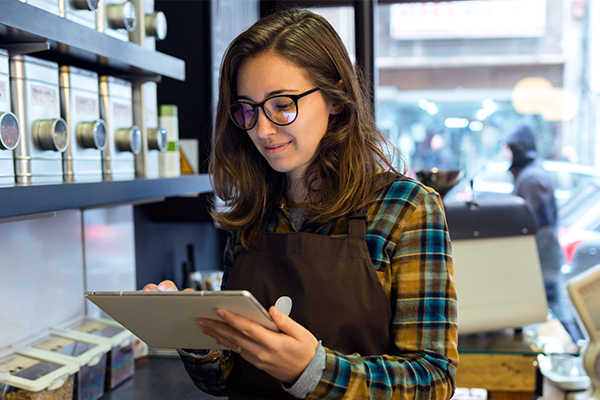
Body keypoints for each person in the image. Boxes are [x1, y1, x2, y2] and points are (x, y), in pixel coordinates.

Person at [144, 9, 458, 399]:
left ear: (336, 100)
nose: (262, 129)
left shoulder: (405, 208)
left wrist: (313, 371)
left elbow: (433, 379)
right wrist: (194, 335)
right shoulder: (253, 213)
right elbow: (224, 378)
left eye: (282, 105)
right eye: (248, 108)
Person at [503, 121, 582, 341]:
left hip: (543, 258)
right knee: (556, 309)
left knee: (558, 310)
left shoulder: (531, 177)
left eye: (508, 149)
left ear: (518, 149)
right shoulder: (531, 173)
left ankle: (578, 356)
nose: (505, 155)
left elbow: (532, 220)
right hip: (544, 256)